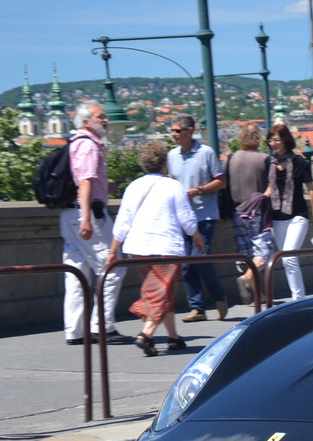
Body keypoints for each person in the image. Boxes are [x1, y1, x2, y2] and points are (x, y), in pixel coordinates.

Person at [109, 142, 204, 356]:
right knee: (159, 293)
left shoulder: (133, 187)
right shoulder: (173, 186)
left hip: (139, 248)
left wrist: (112, 250)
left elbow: (123, 221)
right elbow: (187, 220)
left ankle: (173, 338)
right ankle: (146, 334)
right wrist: (197, 238)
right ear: (165, 163)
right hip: (166, 246)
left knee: (162, 292)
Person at [63, 103, 129, 346]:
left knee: (76, 272)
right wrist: (86, 218)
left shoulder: (74, 143)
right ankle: (102, 327)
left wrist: (104, 188)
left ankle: (75, 330)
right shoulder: (89, 144)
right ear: (86, 122)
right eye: (100, 117)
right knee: (113, 267)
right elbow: (84, 182)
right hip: (86, 214)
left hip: (68, 214)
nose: (106, 120)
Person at [167, 114, 228, 322]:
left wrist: (199, 190)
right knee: (186, 264)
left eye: (177, 131)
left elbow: (221, 181)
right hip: (181, 217)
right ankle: (197, 308)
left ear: (190, 131)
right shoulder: (171, 155)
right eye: (172, 131)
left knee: (200, 258)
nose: (173, 135)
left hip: (204, 214)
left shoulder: (206, 153)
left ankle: (219, 297)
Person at [265, 124, 313, 301]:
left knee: (289, 256)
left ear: (285, 139)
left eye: (276, 139)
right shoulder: (270, 163)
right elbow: (270, 187)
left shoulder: (299, 162)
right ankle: (298, 298)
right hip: (277, 218)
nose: (273, 143)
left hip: (297, 216)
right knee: (285, 259)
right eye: (270, 140)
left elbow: (311, 191)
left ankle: (298, 300)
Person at [224, 124, 272, 297]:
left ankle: (256, 293)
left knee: (245, 253)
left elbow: (224, 184)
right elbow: (273, 184)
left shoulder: (231, 158)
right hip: (257, 210)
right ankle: (247, 278)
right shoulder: (265, 159)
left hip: (237, 211)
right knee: (264, 252)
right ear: (258, 138)